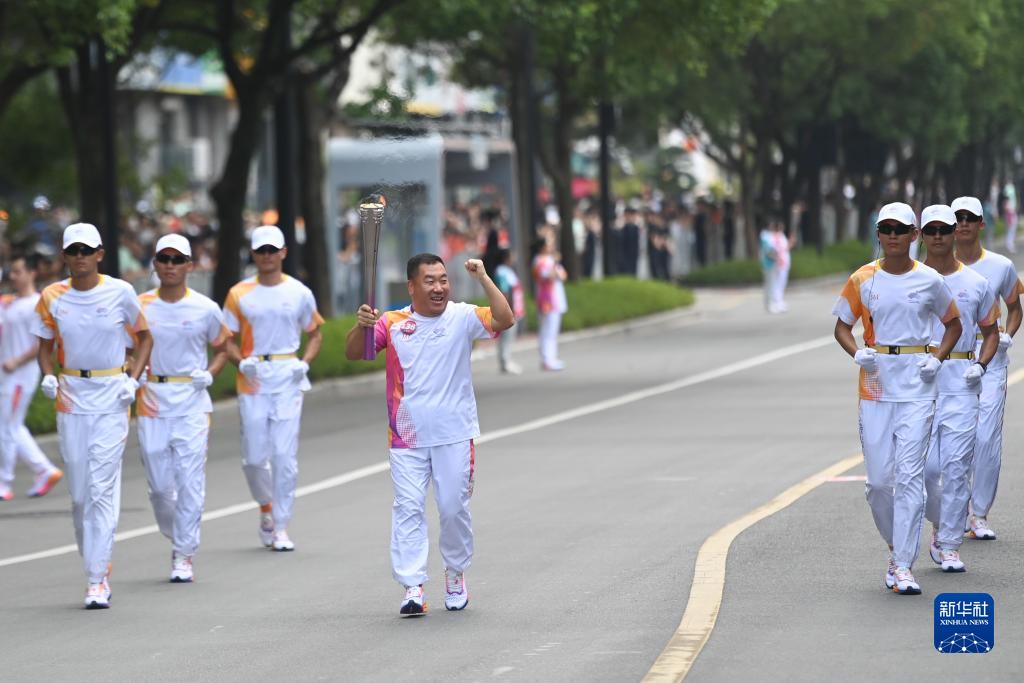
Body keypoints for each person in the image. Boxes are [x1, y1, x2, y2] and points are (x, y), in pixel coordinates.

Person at [346, 254, 514, 616]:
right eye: (429, 281)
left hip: (455, 433)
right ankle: (412, 586)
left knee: (453, 508)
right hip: (406, 436)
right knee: (408, 508)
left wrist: (484, 278)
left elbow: (505, 319)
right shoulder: (392, 322)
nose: (439, 288)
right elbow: (356, 352)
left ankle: (455, 572)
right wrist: (361, 326)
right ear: (411, 286)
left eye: (443, 280)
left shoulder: (462, 316)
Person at [832, 202, 961, 595]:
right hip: (876, 383)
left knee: (909, 477)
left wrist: (937, 358)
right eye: (886, 228)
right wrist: (857, 353)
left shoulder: (930, 280)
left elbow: (953, 324)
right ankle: (895, 546)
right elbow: (842, 326)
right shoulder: (863, 279)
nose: (892, 235)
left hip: (918, 384)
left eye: (900, 229)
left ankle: (904, 564)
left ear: (913, 235)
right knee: (878, 483)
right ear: (878, 233)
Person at [34, 223, 152, 609]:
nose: (80, 257)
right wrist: (48, 375)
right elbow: (45, 345)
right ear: (65, 256)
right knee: (81, 494)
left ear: (100, 254)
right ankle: (95, 563)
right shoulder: (52, 296)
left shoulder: (120, 292)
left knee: (101, 487)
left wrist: (132, 380)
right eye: (74, 251)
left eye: (87, 250)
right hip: (72, 395)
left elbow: (144, 337)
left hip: (112, 395)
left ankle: (97, 577)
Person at [222, 225, 323, 552]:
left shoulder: (299, 292)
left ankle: (280, 525)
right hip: (253, 377)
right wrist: (241, 363)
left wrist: (304, 363)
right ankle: (266, 505)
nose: (267, 256)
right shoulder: (238, 293)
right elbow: (226, 340)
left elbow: (315, 334)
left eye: (272, 250)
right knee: (253, 458)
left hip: (287, 375)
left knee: (283, 455)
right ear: (253, 254)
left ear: (283, 253)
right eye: (261, 251)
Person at [136, 235, 230, 582]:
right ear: (156, 264)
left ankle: (184, 553)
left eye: (178, 260)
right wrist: (131, 371)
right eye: (165, 259)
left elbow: (223, 348)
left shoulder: (205, 308)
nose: (171, 265)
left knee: (190, 480)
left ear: (189, 265)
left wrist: (210, 373)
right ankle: (176, 534)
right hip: (152, 398)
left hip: (192, 399)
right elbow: (127, 346)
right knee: (160, 488)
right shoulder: (140, 305)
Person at [919, 205, 998, 573]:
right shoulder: (910, 279)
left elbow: (991, 332)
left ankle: (949, 543)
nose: (938, 236)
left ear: (954, 233)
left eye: (944, 229)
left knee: (955, 466)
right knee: (926, 470)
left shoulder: (976, 283)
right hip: (919, 381)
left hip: (961, 381)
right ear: (921, 235)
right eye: (931, 230)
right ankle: (941, 521)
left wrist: (980, 366)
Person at [951, 196, 1024, 540]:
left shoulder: (1000, 266)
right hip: (950, 359)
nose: (964, 223)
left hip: (991, 357)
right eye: (958, 218)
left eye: (970, 218)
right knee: (953, 438)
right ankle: (954, 508)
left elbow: (1015, 307)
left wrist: (1007, 334)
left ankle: (978, 513)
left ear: (982, 224)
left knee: (986, 436)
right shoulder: (936, 268)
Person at [0, 255, 63, 501]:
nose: (13, 276)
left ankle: (4, 482)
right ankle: (44, 470)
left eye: (18, 271)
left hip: (20, 376)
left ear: (31, 273)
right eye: (12, 272)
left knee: (8, 427)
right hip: (7, 376)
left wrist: (17, 361)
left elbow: (42, 342)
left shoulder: (37, 304)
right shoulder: (9, 303)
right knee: (12, 426)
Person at [532, 228, 568, 371]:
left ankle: (551, 358)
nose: (552, 246)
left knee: (552, 331)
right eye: (549, 243)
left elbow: (563, 276)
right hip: (547, 300)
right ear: (543, 247)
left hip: (556, 299)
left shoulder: (551, 260)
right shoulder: (539, 261)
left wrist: (555, 265)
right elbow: (549, 276)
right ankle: (547, 359)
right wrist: (555, 265)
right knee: (547, 330)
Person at [494, 248, 525, 375]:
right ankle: (505, 361)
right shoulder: (502, 271)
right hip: (509, 308)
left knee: (509, 335)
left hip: (514, 307)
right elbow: (504, 290)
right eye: (512, 256)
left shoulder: (508, 271)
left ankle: (506, 359)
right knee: (506, 335)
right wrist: (507, 308)